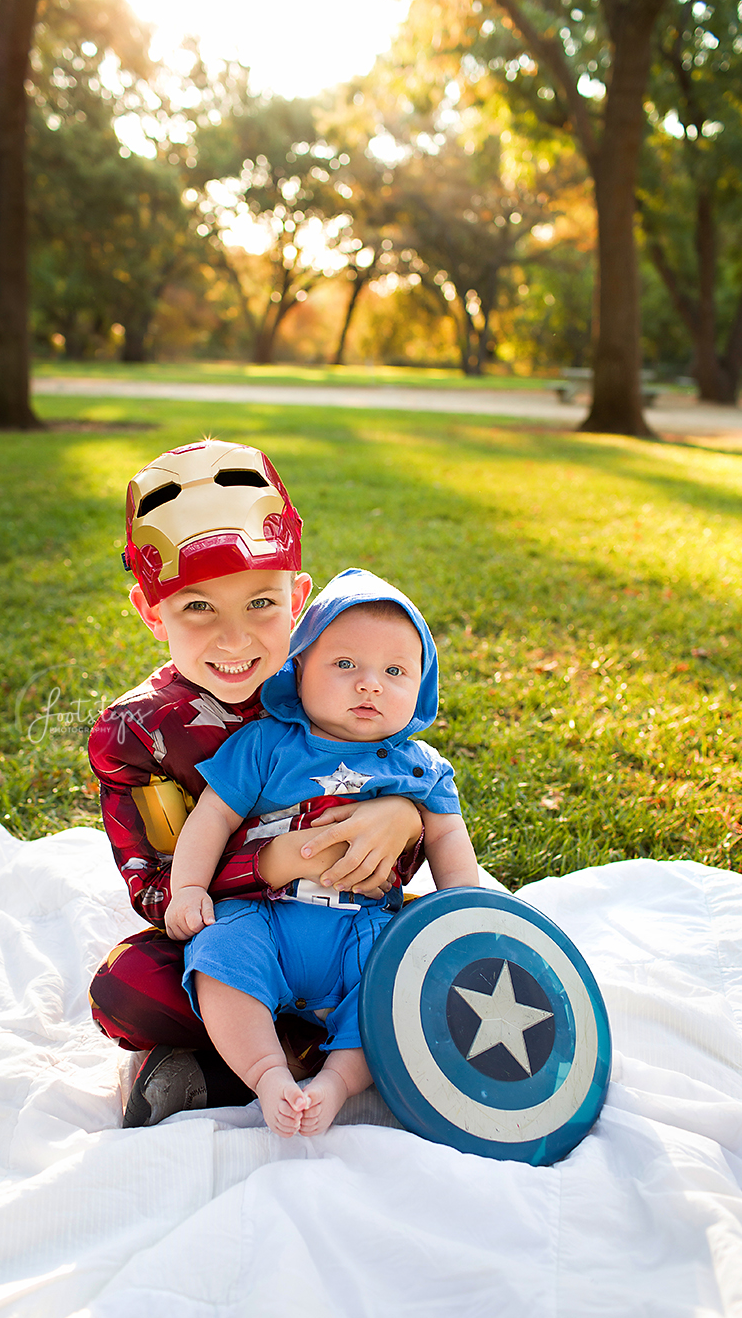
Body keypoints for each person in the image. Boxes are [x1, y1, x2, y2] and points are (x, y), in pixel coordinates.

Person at [88, 441, 424, 1126]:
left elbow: (408, 772)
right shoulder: (138, 735)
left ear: (298, 598)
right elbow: (156, 886)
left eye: (261, 602)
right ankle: (323, 1053)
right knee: (126, 987)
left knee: (410, 949)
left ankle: (221, 1066)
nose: (235, 640)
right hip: (234, 939)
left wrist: (406, 820)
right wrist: (269, 863)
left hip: (349, 923)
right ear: (152, 613)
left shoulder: (336, 675)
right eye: (198, 609)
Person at [167, 569, 480, 1137]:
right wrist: (187, 888)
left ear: (421, 686)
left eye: (394, 672)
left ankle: (335, 1083)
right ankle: (267, 1074)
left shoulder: (419, 768)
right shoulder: (266, 744)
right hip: (264, 917)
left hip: (363, 928)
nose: (369, 685)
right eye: (345, 665)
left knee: (394, 992)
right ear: (300, 668)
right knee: (219, 958)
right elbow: (212, 816)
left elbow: (450, 842)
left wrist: (467, 915)